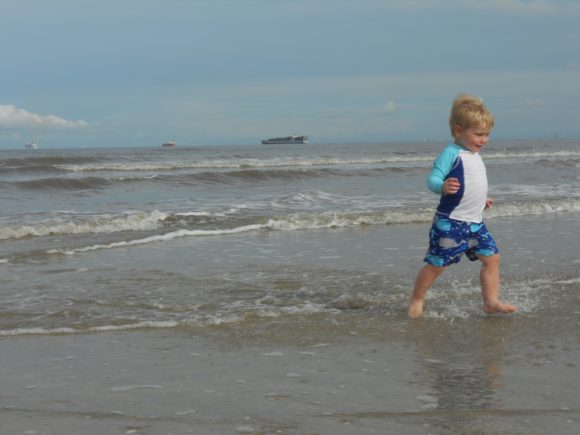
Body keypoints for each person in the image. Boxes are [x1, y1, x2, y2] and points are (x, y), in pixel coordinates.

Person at [408, 94, 517, 319]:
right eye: (478, 134)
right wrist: (442, 186)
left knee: (492, 258)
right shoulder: (451, 153)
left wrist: (481, 199)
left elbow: (471, 183)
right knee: (437, 265)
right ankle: (417, 299)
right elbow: (432, 179)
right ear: (459, 131)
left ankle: (490, 302)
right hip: (451, 222)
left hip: (475, 223)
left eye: (487, 134)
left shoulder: (474, 154)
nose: (484, 140)